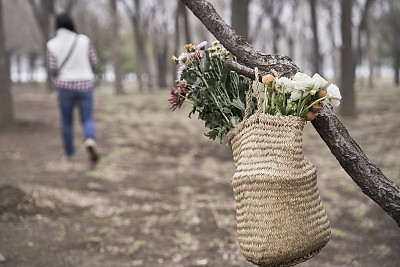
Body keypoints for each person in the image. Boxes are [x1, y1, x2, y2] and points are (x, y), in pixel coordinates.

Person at [46, 13, 99, 164]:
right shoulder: (84, 40)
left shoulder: (52, 44)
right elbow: (94, 62)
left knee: (66, 121)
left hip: (64, 86)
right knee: (87, 118)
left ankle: (69, 154)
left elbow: (53, 69)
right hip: (85, 84)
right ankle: (89, 140)